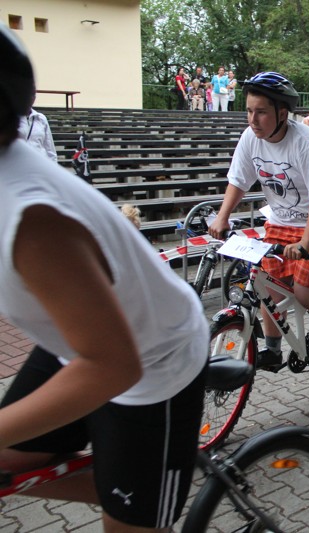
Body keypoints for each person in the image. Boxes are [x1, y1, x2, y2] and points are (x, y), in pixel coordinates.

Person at [0, 26, 209, 532]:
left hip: (153, 363)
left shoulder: (29, 220)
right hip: (83, 344)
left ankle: (141, 498)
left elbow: (114, 366)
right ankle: (134, 488)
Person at [207, 71, 309, 368]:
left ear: (282, 113)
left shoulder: (306, 143)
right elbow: (239, 180)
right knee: (267, 283)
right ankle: (272, 349)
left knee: (306, 293)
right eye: (249, 111)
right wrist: (222, 217)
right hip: (282, 218)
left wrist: (305, 243)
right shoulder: (250, 138)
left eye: (261, 112)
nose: (253, 120)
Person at [18, 93, 56, 162]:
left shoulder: (41, 118)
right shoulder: (10, 119)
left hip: (39, 163)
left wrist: (54, 163)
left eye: (32, 95)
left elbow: (49, 147)